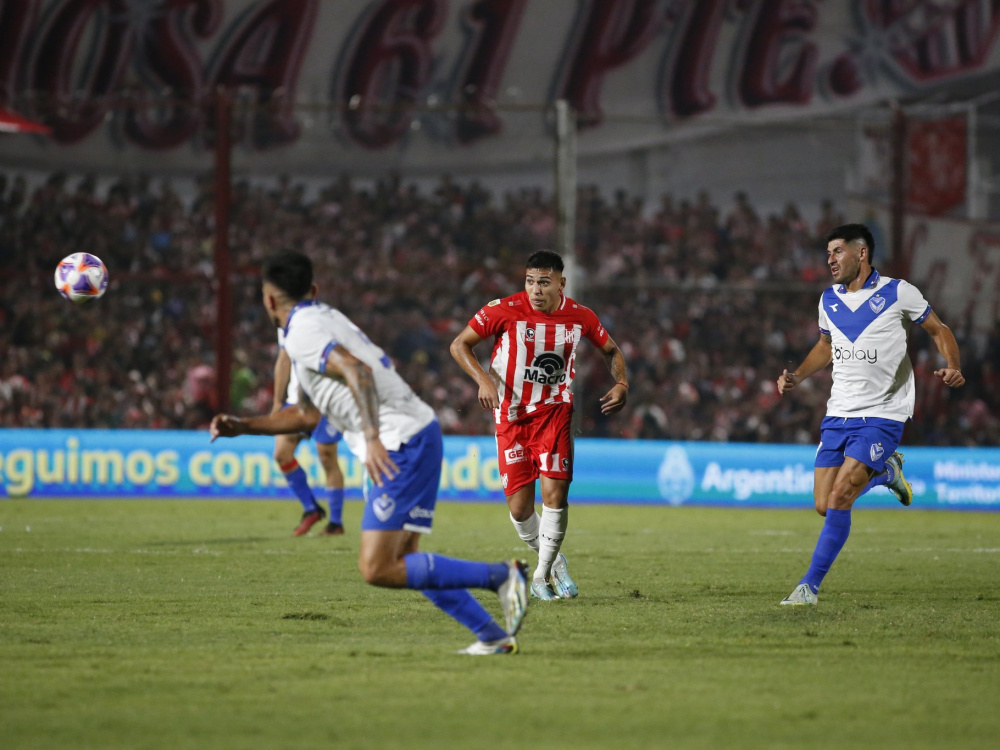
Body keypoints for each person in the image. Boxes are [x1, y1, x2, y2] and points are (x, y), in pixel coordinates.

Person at [211, 251, 529, 654]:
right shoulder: (321, 321)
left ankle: (502, 575)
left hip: (399, 442)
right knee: (405, 558)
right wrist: (244, 426)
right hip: (416, 433)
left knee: (378, 567)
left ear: (269, 300)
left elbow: (356, 371)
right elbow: (306, 415)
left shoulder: (303, 331)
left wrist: (372, 436)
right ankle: (492, 635)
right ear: (313, 289)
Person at [776, 224, 965, 605]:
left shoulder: (898, 292)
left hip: (883, 413)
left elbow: (938, 329)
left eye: (837, 251)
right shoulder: (829, 299)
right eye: (828, 253)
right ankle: (887, 473)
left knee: (841, 496)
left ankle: (808, 587)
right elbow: (825, 346)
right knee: (823, 504)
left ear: (861, 253)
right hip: (839, 412)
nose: (830, 260)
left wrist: (953, 364)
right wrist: (797, 376)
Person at [450, 250, 629, 600]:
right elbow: (460, 345)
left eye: (544, 282)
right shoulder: (503, 309)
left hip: (554, 411)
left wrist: (621, 382)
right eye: (530, 281)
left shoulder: (580, 316)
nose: (535, 289)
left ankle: (540, 576)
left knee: (554, 495)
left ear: (561, 283)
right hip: (511, 416)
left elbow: (611, 350)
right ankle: (556, 563)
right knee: (520, 511)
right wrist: (483, 379)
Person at [272, 335, 347, 536]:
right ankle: (311, 509)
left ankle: (335, 523)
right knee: (281, 454)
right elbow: (284, 359)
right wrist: (277, 402)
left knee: (327, 457)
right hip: (295, 401)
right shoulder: (284, 326)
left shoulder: (327, 323)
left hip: (325, 399)